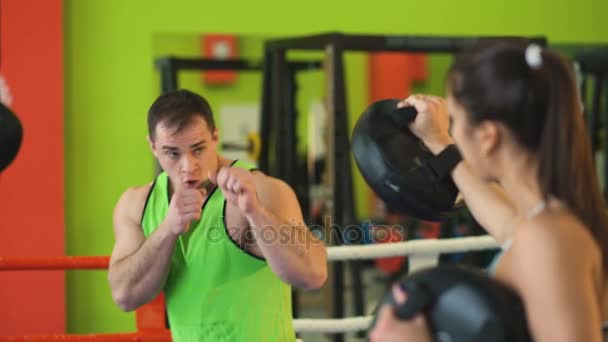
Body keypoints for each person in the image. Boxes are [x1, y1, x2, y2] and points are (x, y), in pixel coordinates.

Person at [370, 40, 608, 341]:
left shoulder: (548, 238)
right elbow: (503, 218)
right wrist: (438, 141)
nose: (452, 131)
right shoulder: (549, 223)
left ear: (487, 137)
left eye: (455, 122)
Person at [107, 89, 328, 341]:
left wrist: (256, 213)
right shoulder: (137, 204)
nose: (188, 166)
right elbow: (124, 296)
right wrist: (167, 229)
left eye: (198, 149)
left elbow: (313, 274)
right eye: (172, 153)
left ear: (215, 136)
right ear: (153, 147)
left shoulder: (262, 190)